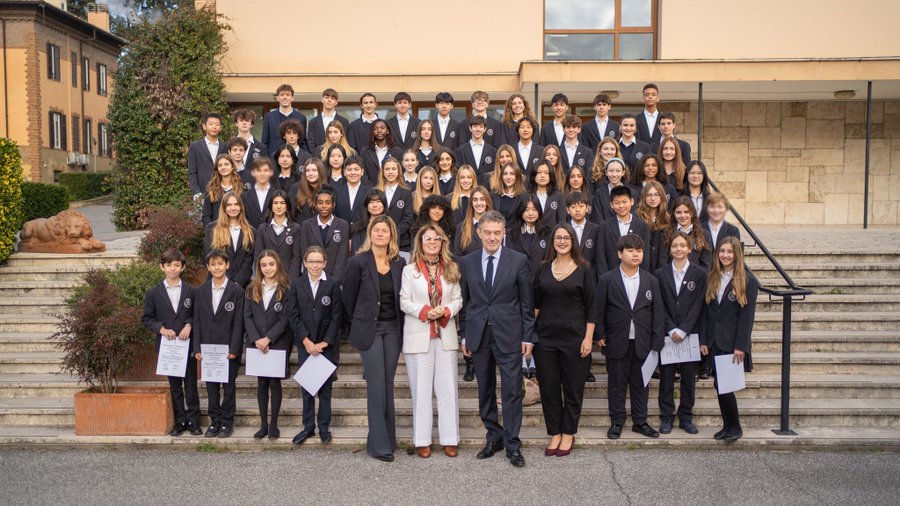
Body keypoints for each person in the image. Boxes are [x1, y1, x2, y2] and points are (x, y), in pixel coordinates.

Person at [459, 210, 536, 468]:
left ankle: (513, 444)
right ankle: (494, 437)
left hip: (509, 335)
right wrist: (464, 336)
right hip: (479, 335)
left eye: (497, 233)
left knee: (512, 391)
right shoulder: (467, 262)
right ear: (479, 232)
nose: (492, 237)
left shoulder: (518, 260)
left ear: (504, 233)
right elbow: (465, 302)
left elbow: (526, 302)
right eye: (487, 232)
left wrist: (528, 336)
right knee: (485, 390)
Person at [341, 215, 406, 462]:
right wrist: (360, 320)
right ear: (370, 233)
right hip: (370, 330)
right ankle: (379, 446)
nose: (380, 234)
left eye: (385, 230)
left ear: (391, 235)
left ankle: (385, 438)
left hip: (393, 329)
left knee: (387, 383)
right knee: (376, 383)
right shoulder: (357, 262)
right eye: (376, 230)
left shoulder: (399, 262)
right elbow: (348, 298)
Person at [400, 224, 463, 458]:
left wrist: (445, 310)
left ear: (442, 243)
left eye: (437, 239)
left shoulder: (451, 268)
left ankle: (450, 438)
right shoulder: (409, 271)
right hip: (419, 335)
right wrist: (427, 311)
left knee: (448, 390)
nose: (432, 242)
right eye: (428, 239)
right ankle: (422, 440)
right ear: (421, 242)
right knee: (421, 391)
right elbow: (404, 301)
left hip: (445, 334)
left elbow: (458, 299)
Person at [533, 223, 596, 457]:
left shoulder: (584, 270)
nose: (562, 241)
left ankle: (568, 432)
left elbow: (592, 308)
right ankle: (555, 432)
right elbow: (535, 305)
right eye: (558, 237)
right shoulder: (542, 269)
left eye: (566, 238)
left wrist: (588, 339)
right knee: (549, 388)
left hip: (575, 338)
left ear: (573, 242)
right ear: (552, 242)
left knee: (573, 388)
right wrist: (529, 336)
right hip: (545, 339)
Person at [596, 234, 664, 440]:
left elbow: (658, 314)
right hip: (616, 340)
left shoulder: (651, 280)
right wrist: (600, 334)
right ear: (620, 254)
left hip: (643, 343)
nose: (635, 254)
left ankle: (640, 422)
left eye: (639, 251)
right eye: (630, 250)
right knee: (616, 384)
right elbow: (599, 310)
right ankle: (617, 421)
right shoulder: (607, 279)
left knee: (641, 384)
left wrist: (657, 342)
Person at [286, 246, 343, 445]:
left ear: (325, 263)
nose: (315, 265)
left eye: (319, 261)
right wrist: (306, 341)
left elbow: (337, 316)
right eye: (311, 261)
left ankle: (324, 428)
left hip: (325, 346)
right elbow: (293, 316)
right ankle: (308, 427)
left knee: (325, 389)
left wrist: (324, 342)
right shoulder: (297, 284)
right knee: (307, 388)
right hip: (306, 345)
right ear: (305, 263)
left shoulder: (333, 284)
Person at [703, 236, 758, 443]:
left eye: (729, 252)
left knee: (725, 385)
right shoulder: (714, 276)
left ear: (737, 254)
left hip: (732, 342)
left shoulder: (747, 280)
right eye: (722, 251)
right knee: (719, 385)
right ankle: (727, 426)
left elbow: (747, 317)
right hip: (715, 340)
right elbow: (709, 312)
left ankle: (735, 426)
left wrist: (741, 346)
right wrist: (704, 340)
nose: (725, 255)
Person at [141, 248, 200, 436]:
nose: (172, 268)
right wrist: (161, 329)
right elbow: (147, 318)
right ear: (162, 267)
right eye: (169, 265)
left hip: (187, 345)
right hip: (168, 347)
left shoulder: (192, 290)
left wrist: (189, 325)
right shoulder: (153, 292)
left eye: (176, 265)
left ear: (182, 267)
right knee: (175, 387)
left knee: (191, 384)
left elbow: (197, 314)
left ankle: (194, 421)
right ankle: (180, 421)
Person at [655, 231, 707, 435]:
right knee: (666, 378)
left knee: (688, 378)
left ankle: (686, 416)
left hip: (690, 334)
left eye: (682, 245)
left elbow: (699, 304)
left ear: (689, 249)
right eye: (675, 246)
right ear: (670, 249)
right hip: (668, 335)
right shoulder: (660, 274)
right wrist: (671, 328)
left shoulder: (699, 274)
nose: (678, 249)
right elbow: (659, 305)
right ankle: (666, 416)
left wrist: (684, 329)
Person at [193, 249, 245, 439]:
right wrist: (197, 348)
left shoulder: (236, 291)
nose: (217, 268)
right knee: (212, 387)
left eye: (220, 264)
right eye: (213, 264)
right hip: (208, 348)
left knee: (228, 387)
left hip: (228, 348)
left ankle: (227, 422)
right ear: (208, 267)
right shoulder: (201, 291)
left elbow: (239, 323)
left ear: (227, 265)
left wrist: (235, 348)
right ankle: (214, 421)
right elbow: (197, 320)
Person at [244, 250, 291, 440]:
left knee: (274, 382)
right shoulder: (251, 289)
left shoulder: (286, 288)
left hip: (277, 342)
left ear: (277, 265)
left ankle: (273, 425)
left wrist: (269, 338)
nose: (268, 268)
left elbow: (286, 318)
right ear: (259, 268)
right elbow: (247, 316)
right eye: (264, 265)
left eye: (271, 264)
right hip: (257, 343)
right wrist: (257, 339)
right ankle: (263, 424)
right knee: (261, 383)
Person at [298, 186, 350, 282]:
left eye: (328, 202)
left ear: (333, 204)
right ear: (315, 204)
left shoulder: (343, 225)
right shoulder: (306, 225)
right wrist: (311, 278)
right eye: (320, 202)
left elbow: (342, 257)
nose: (324, 206)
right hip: (312, 278)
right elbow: (305, 254)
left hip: (335, 280)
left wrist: (334, 282)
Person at [203, 192, 255, 287]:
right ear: (224, 207)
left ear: (241, 207)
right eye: (229, 205)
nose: (233, 208)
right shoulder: (212, 229)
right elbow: (209, 256)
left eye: (236, 204)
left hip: (242, 285)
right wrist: (228, 281)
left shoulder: (250, 231)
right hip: (218, 282)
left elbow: (249, 261)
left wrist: (238, 282)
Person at [598, 185, 651, 274]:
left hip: (636, 274)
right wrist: (604, 278)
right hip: (611, 275)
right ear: (611, 204)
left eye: (624, 202)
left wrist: (643, 276)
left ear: (632, 201)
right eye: (617, 203)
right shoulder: (605, 226)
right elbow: (601, 254)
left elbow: (645, 255)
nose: (621, 206)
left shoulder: (643, 226)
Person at [254, 190, 301, 279]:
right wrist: (261, 277)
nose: (279, 206)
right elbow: (258, 255)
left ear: (287, 206)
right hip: (267, 277)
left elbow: (296, 257)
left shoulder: (295, 228)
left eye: (282, 203)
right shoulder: (262, 228)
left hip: (287, 278)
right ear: (271, 207)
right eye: (275, 203)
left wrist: (291, 280)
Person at [377, 156, 414, 255]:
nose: (390, 172)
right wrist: (382, 232)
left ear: (398, 172)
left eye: (394, 169)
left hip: (401, 241)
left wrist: (393, 233)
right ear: (383, 172)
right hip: (379, 240)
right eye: (387, 169)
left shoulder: (406, 192)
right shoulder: (376, 191)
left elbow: (408, 218)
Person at [262, 84, 308, 156]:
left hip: (294, 158)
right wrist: (267, 159)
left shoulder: (301, 118)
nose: (285, 97)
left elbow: (303, 142)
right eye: (282, 94)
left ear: (292, 98)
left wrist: (304, 158)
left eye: (288, 95)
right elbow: (264, 142)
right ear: (277, 98)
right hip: (273, 158)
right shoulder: (269, 117)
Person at [188, 113, 226, 197]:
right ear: (204, 126)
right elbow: (192, 172)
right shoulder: (195, 146)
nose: (214, 127)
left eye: (217, 124)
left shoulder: (225, 146)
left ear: (220, 128)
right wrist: (196, 192)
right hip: (202, 192)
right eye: (211, 124)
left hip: (222, 191)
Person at [637, 182, 672, 273]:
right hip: (642, 267)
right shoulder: (636, 217)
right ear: (644, 197)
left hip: (662, 267)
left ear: (662, 197)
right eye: (649, 195)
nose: (653, 198)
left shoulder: (668, 218)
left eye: (657, 195)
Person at [669, 196, 713, 270]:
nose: (682, 216)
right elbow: (663, 261)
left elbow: (706, 264)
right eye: (679, 212)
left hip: (696, 276)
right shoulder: (667, 233)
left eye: (686, 212)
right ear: (674, 213)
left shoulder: (704, 235)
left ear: (692, 213)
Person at [202, 154, 243, 226]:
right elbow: (206, 216)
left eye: (226, 164)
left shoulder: (241, 189)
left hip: (237, 229)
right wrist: (212, 230)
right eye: (220, 165)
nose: (223, 167)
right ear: (217, 169)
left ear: (232, 167)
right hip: (217, 230)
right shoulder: (211, 190)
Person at [306, 88, 350, 155]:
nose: (329, 100)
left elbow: (345, 141)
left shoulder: (344, 122)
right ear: (322, 100)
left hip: (338, 157)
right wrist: (319, 156)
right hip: (319, 158)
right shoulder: (313, 122)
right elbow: (311, 144)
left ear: (336, 102)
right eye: (326, 97)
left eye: (332, 98)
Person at [334, 155, 372, 231]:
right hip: (342, 233)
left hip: (363, 233)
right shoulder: (337, 192)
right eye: (349, 169)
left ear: (362, 171)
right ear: (344, 172)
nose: (353, 173)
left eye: (356, 169)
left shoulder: (369, 192)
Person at [361, 119, 404, 185]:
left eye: (382, 128)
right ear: (372, 132)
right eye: (375, 128)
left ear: (388, 131)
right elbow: (363, 174)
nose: (379, 131)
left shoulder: (398, 152)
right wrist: (371, 189)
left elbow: (400, 173)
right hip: (370, 189)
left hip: (391, 188)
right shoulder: (365, 152)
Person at [453, 185, 492, 257]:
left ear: (487, 202)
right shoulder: (461, 227)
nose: (479, 203)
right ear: (471, 203)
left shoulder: (495, 227)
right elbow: (457, 255)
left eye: (482, 199)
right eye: (475, 200)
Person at [527, 159, 566, 230]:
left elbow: (562, 221)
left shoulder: (558, 196)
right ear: (534, 175)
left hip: (552, 234)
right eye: (539, 172)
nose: (542, 176)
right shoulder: (526, 196)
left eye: (546, 173)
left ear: (550, 175)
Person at [454, 116, 498, 180]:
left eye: (481, 127)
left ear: (485, 129)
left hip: (487, 185)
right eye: (475, 126)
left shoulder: (493, 151)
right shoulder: (460, 151)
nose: (478, 129)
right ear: (470, 128)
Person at [591, 157, 631, 224]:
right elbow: (598, 217)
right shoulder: (599, 193)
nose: (614, 174)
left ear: (623, 172)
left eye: (618, 171)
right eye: (611, 171)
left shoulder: (631, 192)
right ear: (606, 172)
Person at [288, 157, 327, 224]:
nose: (310, 173)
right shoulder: (295, 188)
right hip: (301, 228)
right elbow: (290, 214)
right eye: (307, 171)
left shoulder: (327, 189)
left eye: (314, 170)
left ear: (320, 172)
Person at [241, 157, 276, 228]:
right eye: (259, 170)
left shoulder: (276, 194)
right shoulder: (245, 196)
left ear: (271, 172)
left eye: (265, 170)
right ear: (253, 172)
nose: (262, 174)